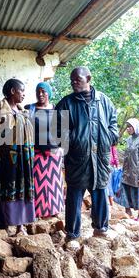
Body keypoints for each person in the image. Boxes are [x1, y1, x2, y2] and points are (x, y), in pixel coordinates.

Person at [56, 66, 119, 247]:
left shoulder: (104, 101)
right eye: (72, 80)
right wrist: (75, 140)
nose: (74, 82)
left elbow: (113, 126)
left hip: (100, 159)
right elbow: (55, 132)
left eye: (78, 79)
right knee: (74, 198)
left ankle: (100, 229)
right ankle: (72, 235)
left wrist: (108, 138)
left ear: (88, 78)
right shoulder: (66, 104)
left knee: (100, 194)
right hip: (77, 160)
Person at [0, 79, 35, 235]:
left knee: (22, 189)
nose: (24, 94)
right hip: (6, 159)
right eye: (22, 90)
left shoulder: (22, 111)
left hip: (23, 160)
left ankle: (20, 226)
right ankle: (6, 224)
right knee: (6, 189)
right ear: (13, 91)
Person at [25, 82, 64, 219]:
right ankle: (37, 211)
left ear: (49, 93)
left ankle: (54, 210)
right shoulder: (30, 109)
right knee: (36, 183)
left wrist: (60, 148)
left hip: (53, 153)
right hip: (35, 152)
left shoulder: (56, 109)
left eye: (43, 91)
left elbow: (62, 131)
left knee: (54, 183)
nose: (40, 94)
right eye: (38, 91)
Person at [117, 118, 139, 222]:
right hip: (128, 172)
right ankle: (128, 212)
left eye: (130, 127)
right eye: (127, 127)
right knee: (125, 191)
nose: (128, 129)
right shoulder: (129, 140)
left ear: (136, 127)